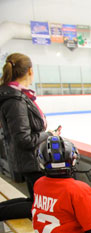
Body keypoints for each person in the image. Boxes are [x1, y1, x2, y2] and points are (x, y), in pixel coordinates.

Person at [0, 53, 61, 220]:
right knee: (39, 205)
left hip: (30, 160)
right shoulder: (16, 100)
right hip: (31, 162)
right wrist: (48, 134)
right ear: (30, 71)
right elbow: (23, 139)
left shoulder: (18, 96)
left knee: (36, 202)